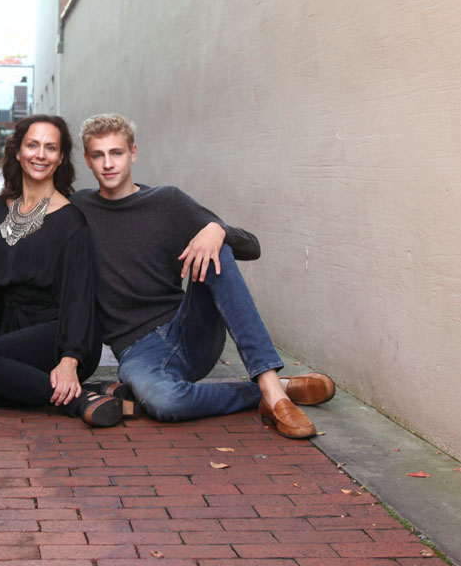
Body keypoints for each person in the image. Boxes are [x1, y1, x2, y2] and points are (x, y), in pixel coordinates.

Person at [72, 113, 335, 438]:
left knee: (215, 248)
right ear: (87, 160)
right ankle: (272, 393)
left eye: (117, 153)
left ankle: (271, 385)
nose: (108, 164)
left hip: (189, 329)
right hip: (138, 352)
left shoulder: (166, 201)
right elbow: (29, 211)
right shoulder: (78, 208)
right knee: (166, 403)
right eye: (98, 155)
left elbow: (252, 247)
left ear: (133, 153)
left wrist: (216, 229)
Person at [0, 115, 118, 426]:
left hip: (62, 334)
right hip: (14, 334)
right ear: (17, 151)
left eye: (50, 148)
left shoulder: (71, 221)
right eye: (33, 145)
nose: (40, 155)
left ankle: (78, 400)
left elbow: (78, 299)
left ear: (61, 157)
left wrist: (69, 360)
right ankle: (89, 393)